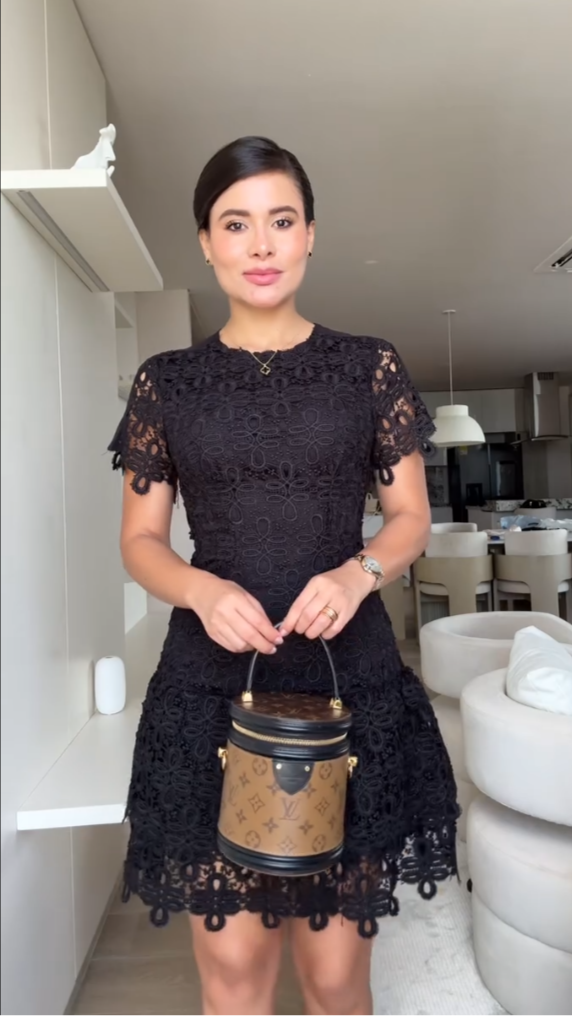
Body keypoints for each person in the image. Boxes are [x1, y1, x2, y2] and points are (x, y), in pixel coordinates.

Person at [109, 136, 459, 1017]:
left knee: (336, 978)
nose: (260, 245)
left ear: (310, 235)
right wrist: (200, 589)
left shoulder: (369, 367)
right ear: (206, 242)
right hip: (210, 694)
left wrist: (359, 571)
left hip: (350, 689)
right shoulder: (166, 384)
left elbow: (411, 518)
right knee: (234, 976)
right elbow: (141, 541)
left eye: (281, 221)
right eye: (236, 224)